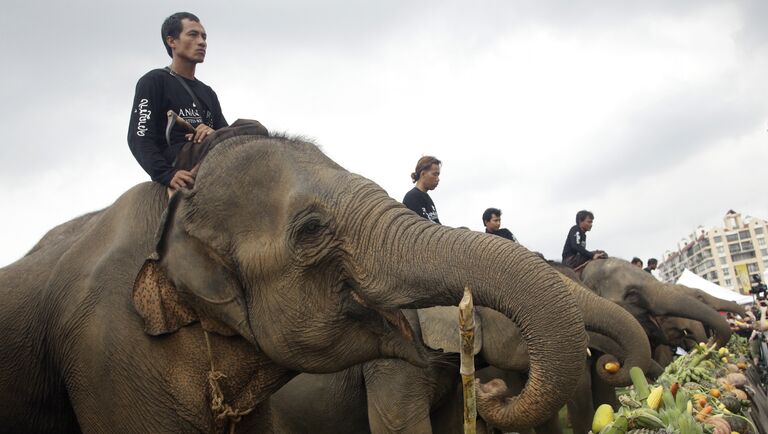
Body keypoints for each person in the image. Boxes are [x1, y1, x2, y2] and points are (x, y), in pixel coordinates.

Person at [128, 12, 228, 192]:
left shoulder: (208, 93)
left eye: (204, 37)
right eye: (193, 35)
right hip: (178, 157)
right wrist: (167, 174)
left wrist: (212, 133)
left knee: (254, 129)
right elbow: (139, 138)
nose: (202, 42)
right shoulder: (154, 81)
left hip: (209, 153)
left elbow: (228, 136)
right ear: (171, 41)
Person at [402, 156, 441, 224]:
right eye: (435, 174)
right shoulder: (412, 197)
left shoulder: (428, 199)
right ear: (423, 174)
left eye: (438, 175)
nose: (438, 179)